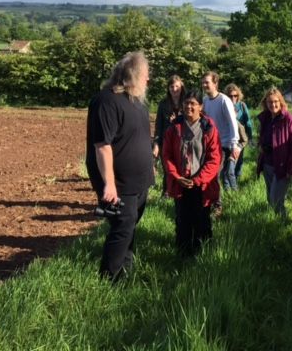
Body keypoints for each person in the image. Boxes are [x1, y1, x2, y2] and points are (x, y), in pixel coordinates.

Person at [85, 51, 154, 282]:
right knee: (122, 227)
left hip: (139, 181)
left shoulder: (135, 102)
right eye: (146, 75)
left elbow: (141, 138)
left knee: (130, 226)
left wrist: (150, 168)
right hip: (120, 183)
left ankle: (126, 271)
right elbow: (102, 145)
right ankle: (109, 279)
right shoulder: (106, 101)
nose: (148, 80)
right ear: (133, 75)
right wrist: (109, 184)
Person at [162, 90, 221, 256]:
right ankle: (183, 254)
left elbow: (214, 159)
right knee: (182, 219)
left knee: (201, 219)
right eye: (186, 103)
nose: (189, 106)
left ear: (200, 107)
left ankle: (203, 254)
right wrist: (176, 176)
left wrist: (197, 180)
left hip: (202, 184)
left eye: (193, 104)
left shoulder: (209, 128)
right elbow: (167, 155)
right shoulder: (174, 128)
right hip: (180, 182)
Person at [201, 71, 240, 216]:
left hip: (223, 145)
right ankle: (208, 202)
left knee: (214, 175)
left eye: (207, 82)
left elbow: (232, 123)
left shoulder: (224, 100)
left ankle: (217, 206)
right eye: (203, 82)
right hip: (208, 144)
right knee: (206, 174)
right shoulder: (205, 100)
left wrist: (234, 144)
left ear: (215, 83)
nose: (204, 85)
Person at [256, 87, 292, 218]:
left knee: (276, 198)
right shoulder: (265, 118)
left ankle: (282, 221)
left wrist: (290, 167)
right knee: (270, 197)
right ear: (266, 103)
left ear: (281, 102)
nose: (273, 105)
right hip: (268, 163)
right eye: (269, 102)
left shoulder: (289, 119)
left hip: (282, 165)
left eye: (275, 101)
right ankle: (274, 223)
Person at [153, 75, 186, 194]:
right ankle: (166, 192)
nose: (174, 89)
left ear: (181, 87)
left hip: (183, 140)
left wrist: (177, 120)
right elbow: (159, 125)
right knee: (167, 167)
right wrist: (156, 143)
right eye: (172, 86)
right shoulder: (163, 104)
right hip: (166, 140)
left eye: (177, 86)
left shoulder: (187, 102)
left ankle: (180, 193)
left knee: (181, 168)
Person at [224, 83, 254, 180]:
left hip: (240, 137)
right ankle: (228, 180)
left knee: (239, 159)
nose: (233, 97)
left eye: (235, 95)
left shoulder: (242, 105)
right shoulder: (224, 105)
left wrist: (250, 137)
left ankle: (237, 178)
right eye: (230, 95)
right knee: (228, 160)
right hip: (227, 136)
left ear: (238, 95)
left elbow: (248, 122)